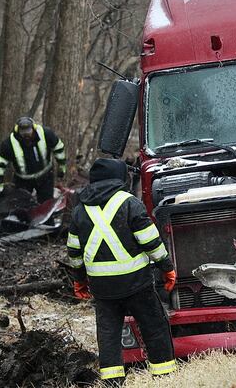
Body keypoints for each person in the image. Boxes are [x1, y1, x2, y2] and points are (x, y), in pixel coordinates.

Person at [66, 158, 177, 386]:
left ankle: (113, 381)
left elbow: (74, 253)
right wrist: (167, 268)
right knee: (153, 326)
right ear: (120, 177)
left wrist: (79, 281)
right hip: (137, 283)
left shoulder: (79, 210)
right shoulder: (130, 203)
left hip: (103, 288)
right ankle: (164, 375)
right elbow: (150, 242)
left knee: (108, 335)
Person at [0, 116, 67, 202]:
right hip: (23, 180)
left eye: (28, 131)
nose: (26, 135)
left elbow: (59, 149)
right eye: (23, 132)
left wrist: (62, 168)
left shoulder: (46, 134)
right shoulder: (8, 144)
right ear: (18, 130)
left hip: (45, 176)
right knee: (21, 206)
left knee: (46, 203)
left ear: (34, 128)